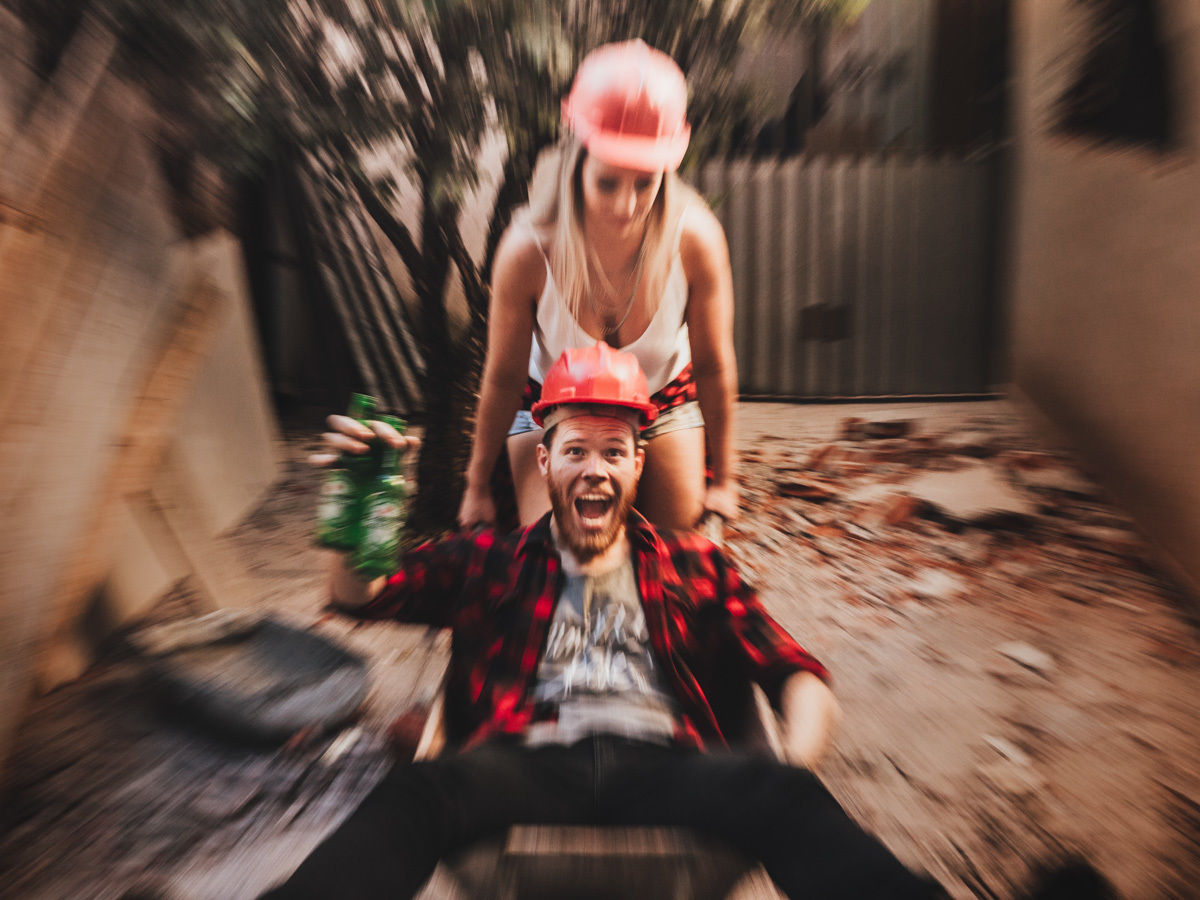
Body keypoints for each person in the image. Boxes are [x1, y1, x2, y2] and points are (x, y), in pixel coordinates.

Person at [266, 343, 946, 900]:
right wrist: (354, 519)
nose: (595, 471)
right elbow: (362, 596)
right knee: (418, 791)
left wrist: (790, 767)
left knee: (783, 791)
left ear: (637, 463)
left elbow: (795, 673)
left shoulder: (694, 564)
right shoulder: (489, 560)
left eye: (614, 452)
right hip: (525, 760)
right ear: (545, 460)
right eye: (576, 451)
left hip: (665, 762)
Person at [457, 39, 740, 533]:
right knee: (558, 554)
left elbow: (714, 367)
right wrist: (476, 484)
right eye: (608, 182)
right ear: (577, 160)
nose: (627, 206)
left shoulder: (697, 239)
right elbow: (502, 377)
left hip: (662, 401)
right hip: (551, 406)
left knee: (678, 551)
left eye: (645, 183)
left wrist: (727, 479)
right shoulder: (527, 249)